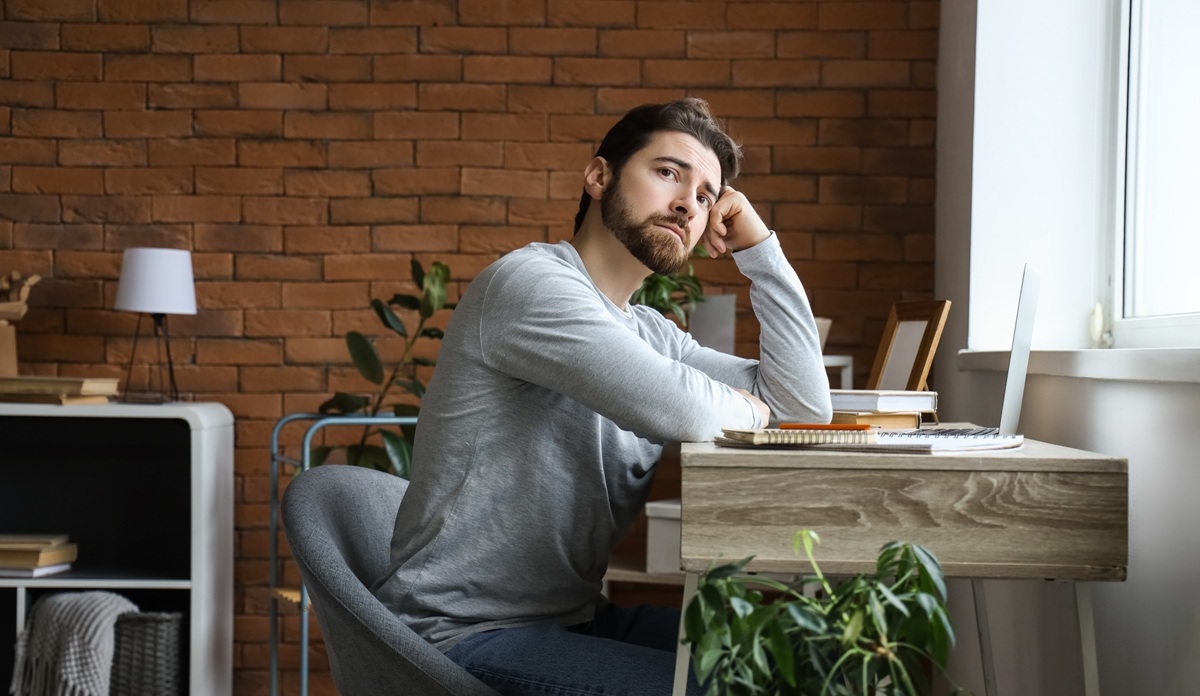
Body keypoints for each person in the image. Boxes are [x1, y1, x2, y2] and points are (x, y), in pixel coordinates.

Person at [373, 98, 832, 695]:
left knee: (811, 657)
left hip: (574, 620)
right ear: (599, 176)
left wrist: (760, 249)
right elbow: (688, 410)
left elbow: (802, 406)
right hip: (463, 635)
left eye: (705, 196)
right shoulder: (530, 285)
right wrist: (752, 409)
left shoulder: (648, 331)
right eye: (668, 172)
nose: (686, 204)